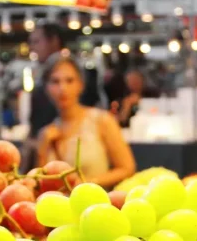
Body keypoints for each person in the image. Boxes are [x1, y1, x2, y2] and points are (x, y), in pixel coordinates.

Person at [37, 56, 135, 189]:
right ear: (46, 87)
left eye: (70, 80)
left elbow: (127, 168)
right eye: (55, 81)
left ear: (81, 84)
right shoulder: (46, 133)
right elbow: (42, 183)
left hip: (96, 204)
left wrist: (88, 183)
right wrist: (43, 148)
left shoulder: (101, 120)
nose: (62, 88)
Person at [28, 23, 99, 138]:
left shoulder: (99, 122)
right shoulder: (39, 86)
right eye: (55, 81)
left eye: (36, 41)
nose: (62, 88)